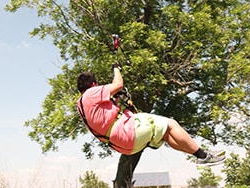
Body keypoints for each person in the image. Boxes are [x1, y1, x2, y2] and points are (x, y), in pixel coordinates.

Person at [76, 63, 225, 166]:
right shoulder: (92, 93)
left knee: (166, 134)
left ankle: (199, 155)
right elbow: (118, 84)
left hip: (121, 145)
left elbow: (104, 116)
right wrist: (116, 69)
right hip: (127, 134)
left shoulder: (81, 105)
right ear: (94, 84)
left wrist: (116, 100)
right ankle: (203, 156)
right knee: (171, 123)